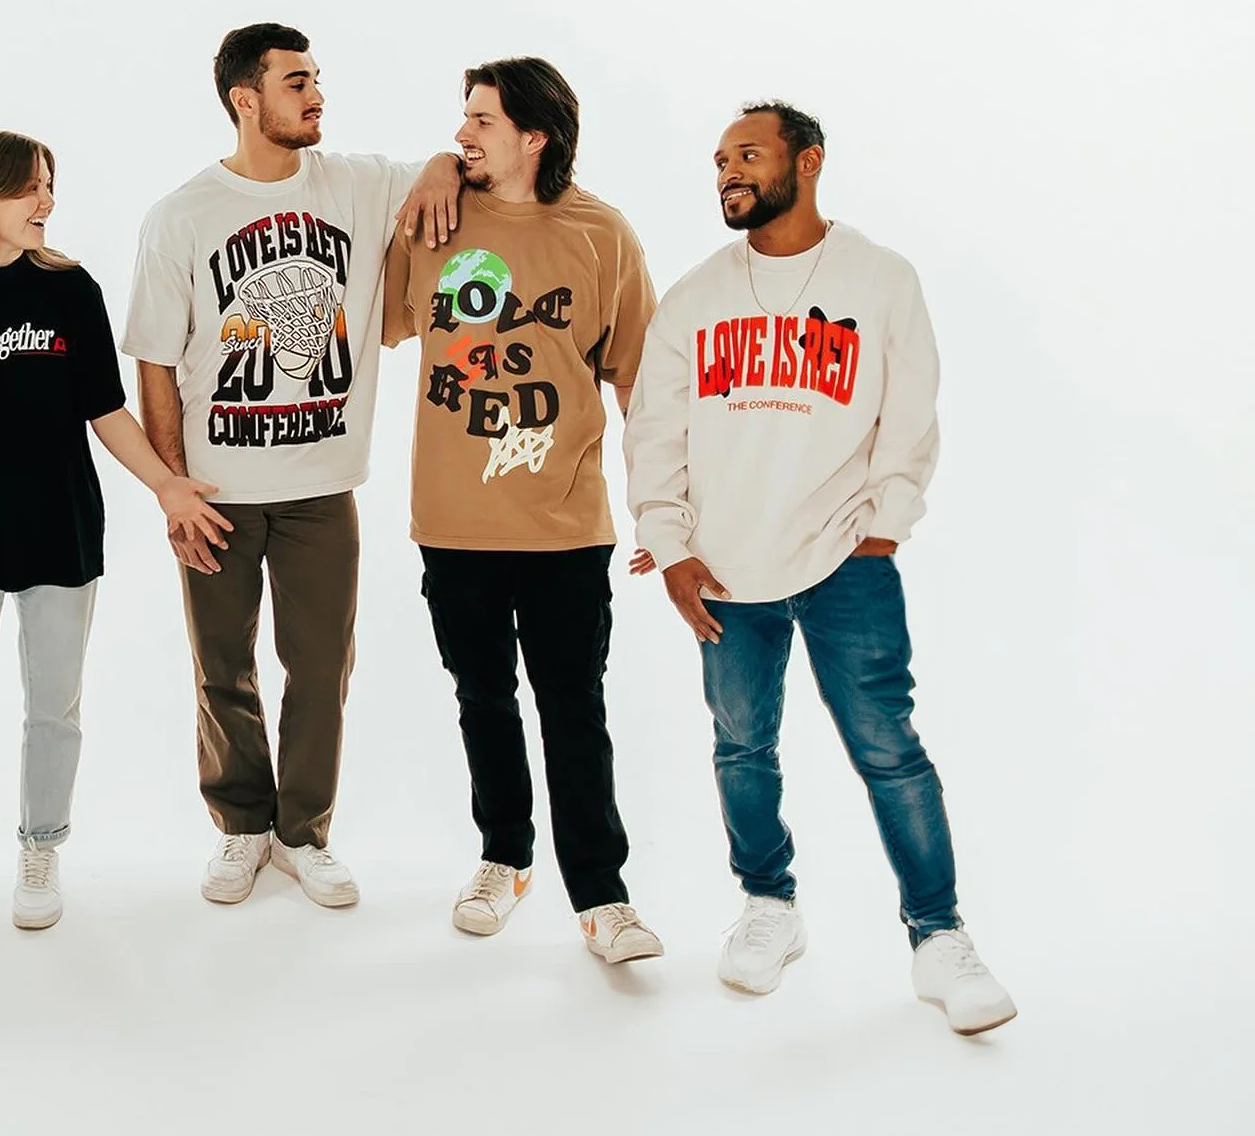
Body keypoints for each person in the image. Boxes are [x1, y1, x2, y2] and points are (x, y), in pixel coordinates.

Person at [623, 101, 1016, 1034]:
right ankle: (769, 905)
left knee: (889, 751)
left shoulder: (878, 278)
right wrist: (670, 545)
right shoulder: (697, 296)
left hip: (846, 560)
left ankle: (939, 936)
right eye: (720, 159)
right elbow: (655, 429)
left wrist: (885, 526)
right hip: (725, 568)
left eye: (748, 154)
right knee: (741, 746)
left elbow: (911, 411)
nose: (729, 171)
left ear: (809, 161)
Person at [0, 128, 230, 950]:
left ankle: (40, 851)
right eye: (30, 187)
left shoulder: (69, 288)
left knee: (54, 709)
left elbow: (106, 411)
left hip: (62, 529)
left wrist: (166, 484)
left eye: (50, 186)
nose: (47, 202)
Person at [123, 22, 464, 908]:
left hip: (321, 488)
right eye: (297, 82)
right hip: (217, 491)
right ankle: (241, 826)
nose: (317, 96)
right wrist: (172, 488)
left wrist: (437, 163)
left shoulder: (355, 182)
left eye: (316, 80)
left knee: (320, 670)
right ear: (247, 99)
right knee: (222, 667)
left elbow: (449, 167)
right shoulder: (182, 215)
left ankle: (303, 832)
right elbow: (154, 361)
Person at [379, 57, 663, 961]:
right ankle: (504, 856)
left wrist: (663, 506)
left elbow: (641, 386)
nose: (463, 133)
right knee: (483, 698)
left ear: (535, 136)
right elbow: (383, 325)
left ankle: (604, 897)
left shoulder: (602, 234)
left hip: (566, 525)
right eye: (462, 118)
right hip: (454, 521)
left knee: (574, 707)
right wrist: (435, 168)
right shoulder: (434, 219)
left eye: (482, 121)